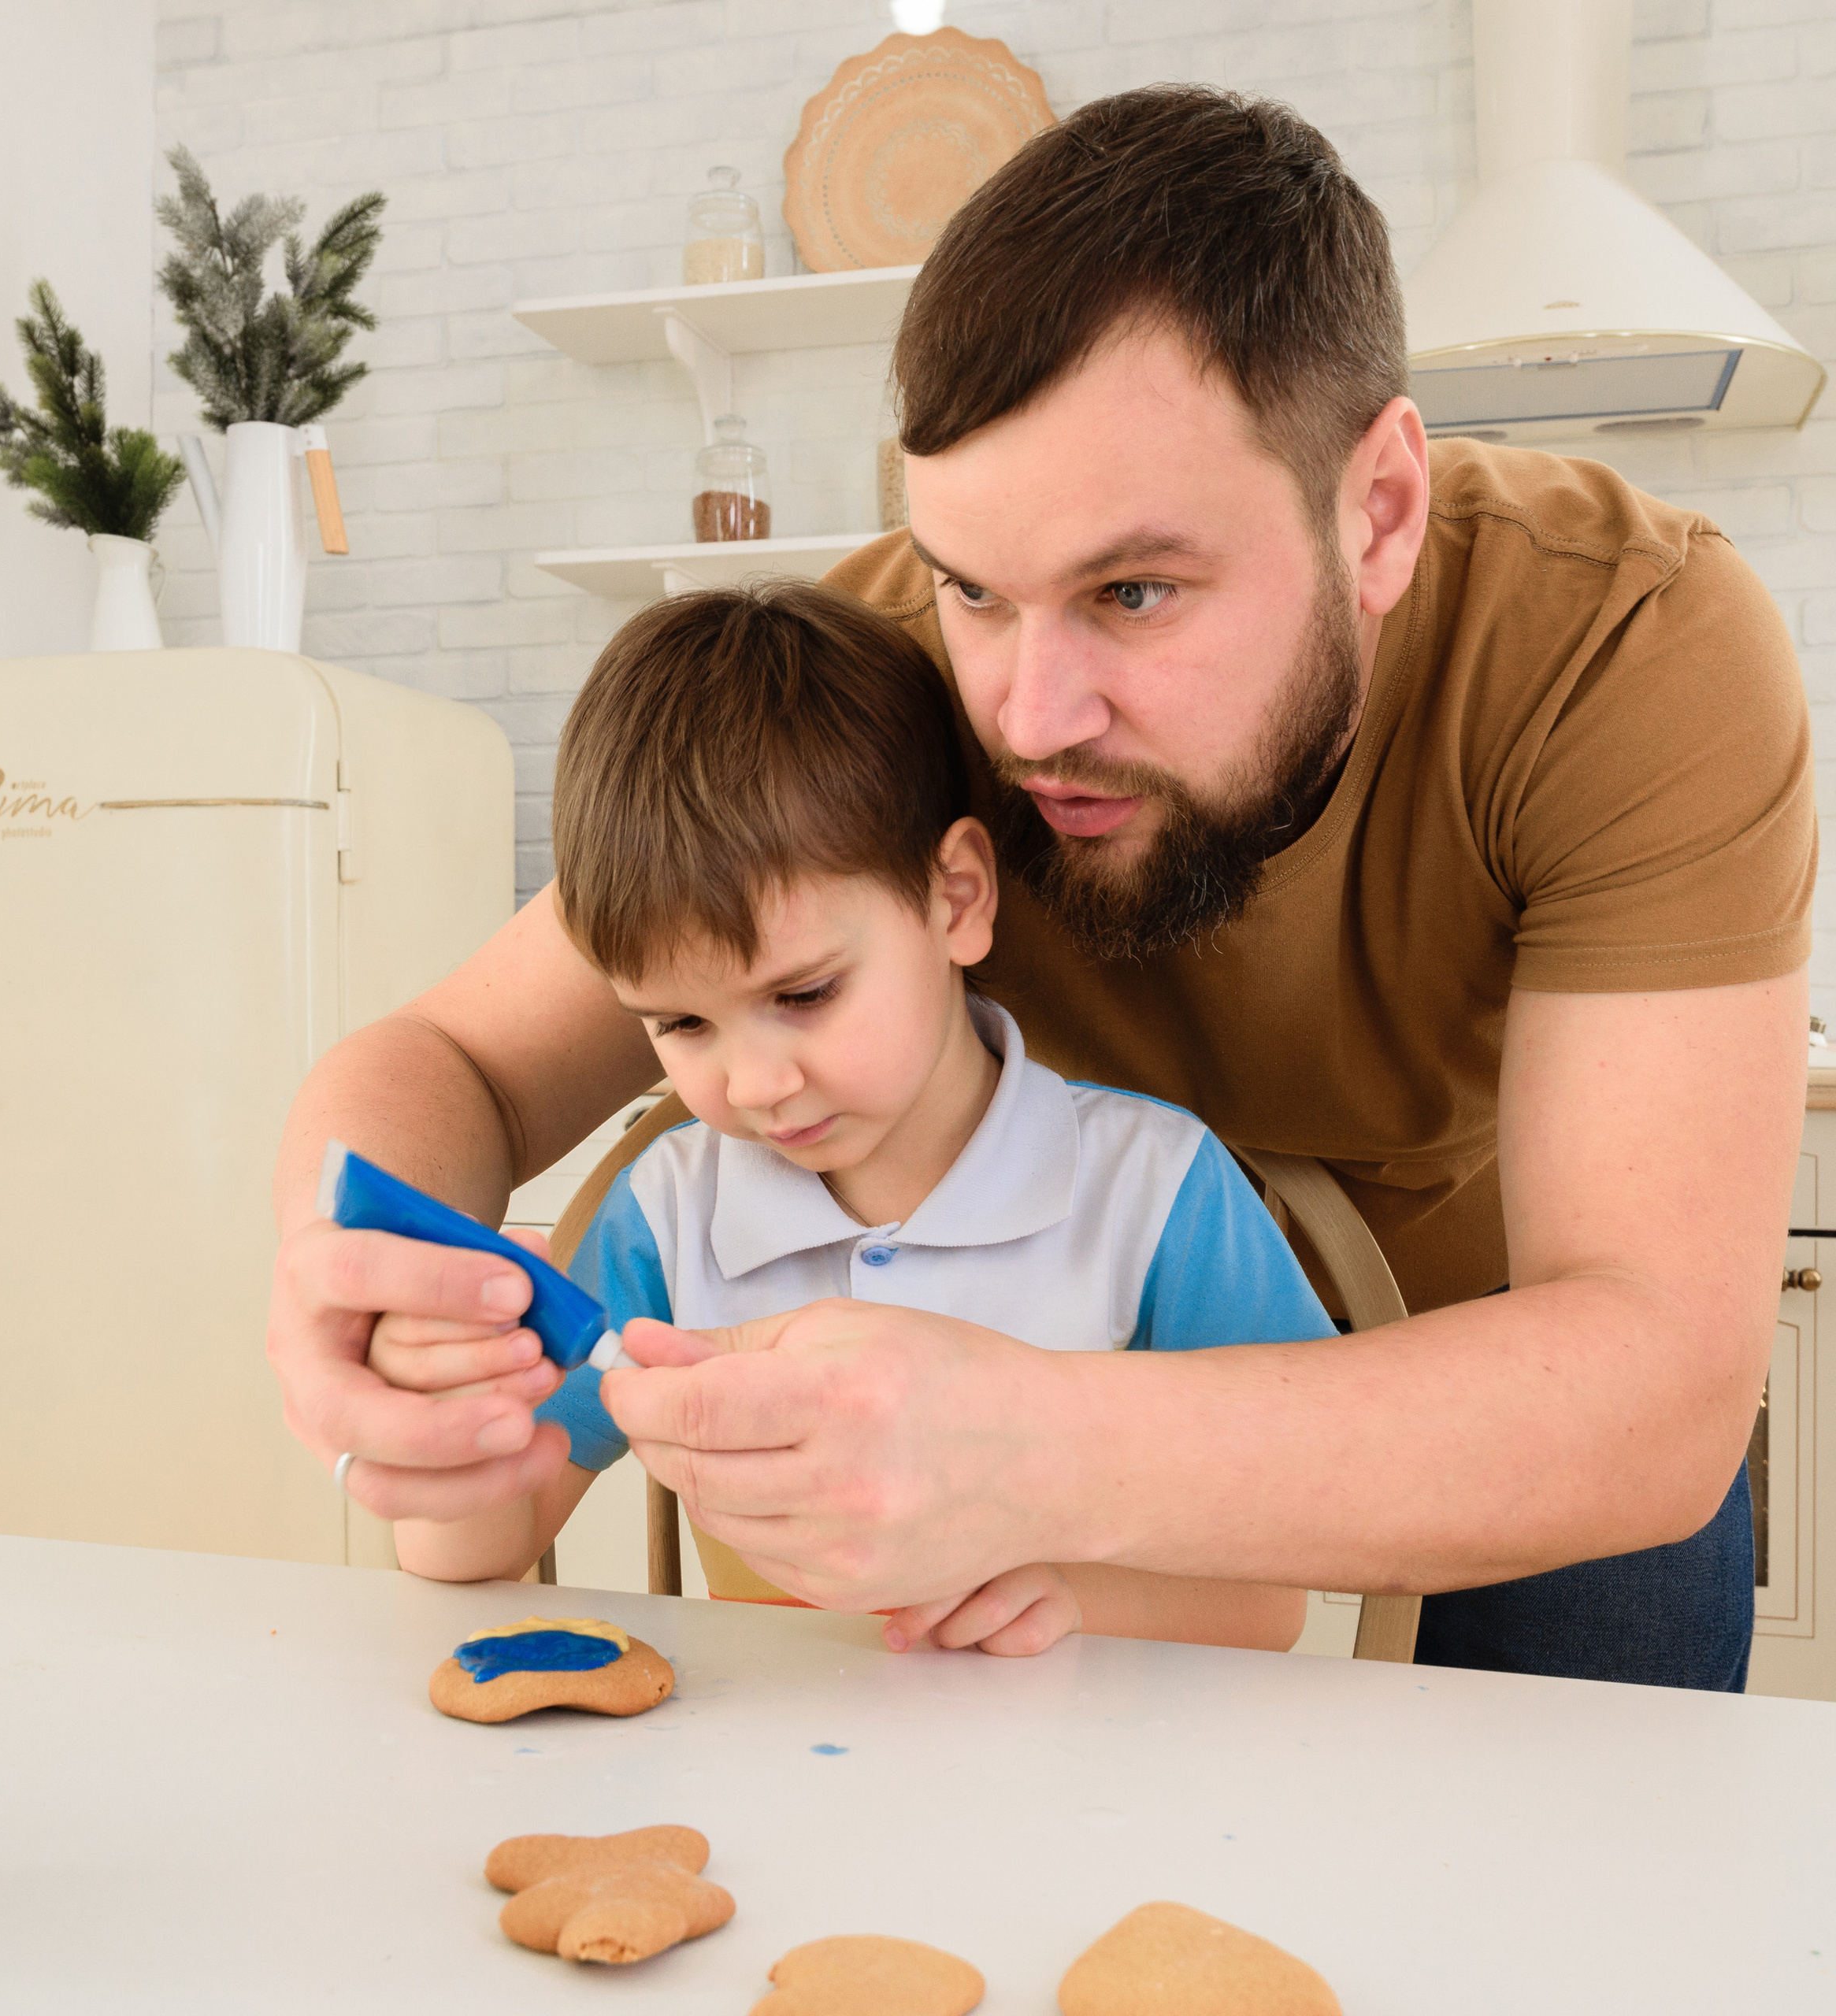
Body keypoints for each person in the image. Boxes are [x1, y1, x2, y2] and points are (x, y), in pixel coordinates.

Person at [269, 86, 1811, 1691]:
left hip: (1504, 1426)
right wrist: (358, 1287)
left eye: (1132, 591)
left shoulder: (1627, 646)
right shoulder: (879, 687)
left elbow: (1649, 1387)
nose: (1019, 714)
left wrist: (1038, 1446)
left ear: (1378, 511)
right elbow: (444, 1063)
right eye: (970, 587)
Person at [381, 580, 1334, 1658]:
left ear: (957, 899)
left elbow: (1270, 1600)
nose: (754, 1084)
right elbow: (474, 1550)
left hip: (1084, 1790)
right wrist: (440, 1420)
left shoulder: (1156, 1194)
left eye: (804, 996)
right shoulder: (667, 1219)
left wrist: (1079, 1600)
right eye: (682, 1024)